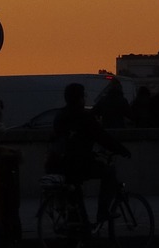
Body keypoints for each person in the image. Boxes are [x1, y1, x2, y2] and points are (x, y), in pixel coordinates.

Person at [46, 82, 131, 228]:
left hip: (58, 164)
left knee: (75, 195)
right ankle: (103, 212)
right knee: (109, 172)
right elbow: (102, 137)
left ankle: (79, 226)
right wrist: (122, 149)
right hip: (78, 163)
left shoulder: (60, 115)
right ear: (80, 99)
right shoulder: (83, 117)